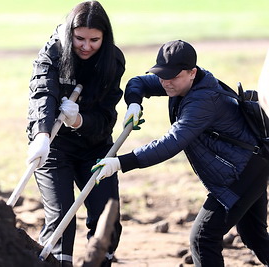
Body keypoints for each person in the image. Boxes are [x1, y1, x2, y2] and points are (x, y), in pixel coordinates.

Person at [93, 40, 269, 266]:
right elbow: (138, 82)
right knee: (254, 236)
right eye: (161, 74)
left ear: (192, 72)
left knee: (203, 237)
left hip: (243, 172)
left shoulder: (203, 100)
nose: (165, 82)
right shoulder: (181, 83)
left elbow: (172, 142)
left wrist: (120, 163)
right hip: (251, 163)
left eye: (172, 76)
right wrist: (134, 104)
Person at [26, 1, 125, 266]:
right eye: (79, 38)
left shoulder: (113, 60)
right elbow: (42, 94)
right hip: (54, 146)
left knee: (108, 218)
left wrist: (80, 120)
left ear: (105, 38)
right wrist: (41, 135)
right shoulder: (53, 52)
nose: (85, 45)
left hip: (95, 146)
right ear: (70, 33)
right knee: (61, 219)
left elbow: (106, 118)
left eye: (94, 40)